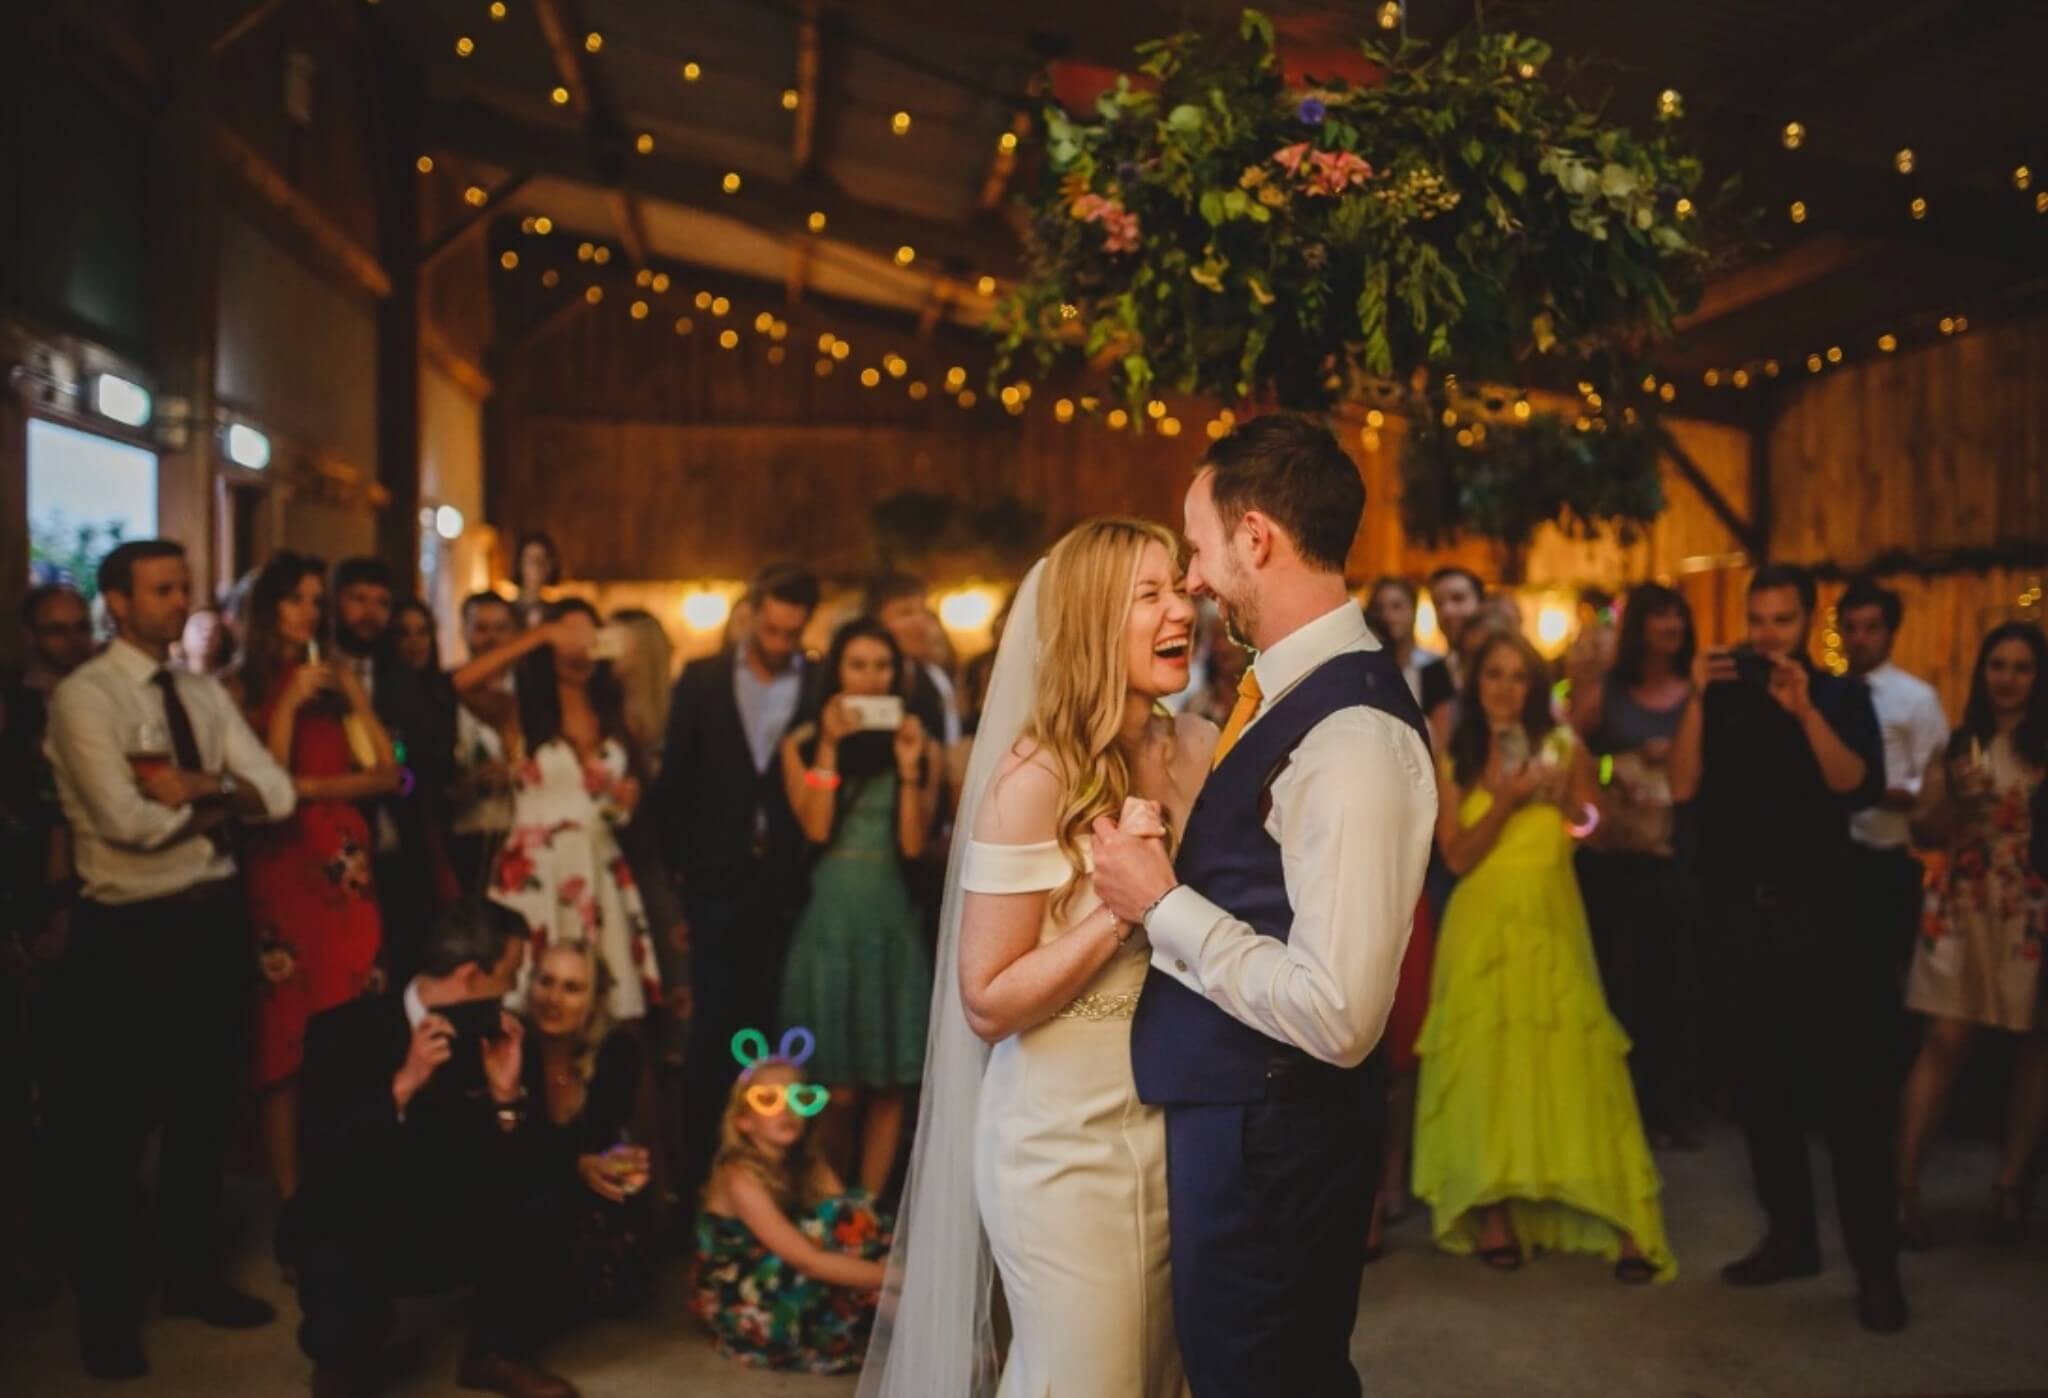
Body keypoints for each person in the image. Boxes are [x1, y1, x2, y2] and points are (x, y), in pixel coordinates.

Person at [1093, 416, 1438, 1396]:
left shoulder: (1353, 735)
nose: (1193, 580)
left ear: (1254, 539)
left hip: (1275, 1135)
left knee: (1264, 1376)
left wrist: (1160, 903)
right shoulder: (1281, 696)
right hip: (1239, 1118)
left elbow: (1336, 1015)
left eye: (1196, 550)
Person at [859, 518, 1208, 1397]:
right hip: (1064, 1153)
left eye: (1181, 587)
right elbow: (985, 999)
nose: (1184, 610)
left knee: (1162, 1377)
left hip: (1180, 1132)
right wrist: (1120, 914)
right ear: (1093, 619)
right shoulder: (1034, 780)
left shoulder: (1199, 748)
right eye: (1151, 595)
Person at [42, 539, 298, 1379]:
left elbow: (279, 793)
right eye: (160, 589)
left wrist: (208, 791)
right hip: (128, 932)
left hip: (210, 922)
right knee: (110, 1134)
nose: (178, 601)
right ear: (116, 601)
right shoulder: (87, 698)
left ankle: (194, 1279)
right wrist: (228, 797)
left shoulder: (201, 692)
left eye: (184, 587)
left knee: (201, 1117)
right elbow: (129, 824)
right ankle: (108, 1312)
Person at [1669, 563, 1902, 1333]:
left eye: (1782, 620)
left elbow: (1857, 786)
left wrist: (1805, 709)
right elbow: (1681, 787)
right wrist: (1700, 698)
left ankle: (1877, 1270)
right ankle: (1792, 1238)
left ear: (1808, 623)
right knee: (1763, 1095)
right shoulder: (1723, 690)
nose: (1767, 633)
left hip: (1829, 923)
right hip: (1743, 923)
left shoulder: (1841, 695)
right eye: (1758, 618)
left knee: (1851, 1105)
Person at [1412, 628, 1674, 1282]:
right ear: (1477, 684)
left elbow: (1600, 826)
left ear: (1533, 687)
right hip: (1481, 927)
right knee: (1489, 1068)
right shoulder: (1456, 756)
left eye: (1517, 676)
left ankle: (1622, 1218)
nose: (1504, 687)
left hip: (1552, 919)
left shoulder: (1564, 745)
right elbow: (1456, 856)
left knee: (1576, 1064)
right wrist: (1505, 799)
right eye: (1493, 674)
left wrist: (1567, 805)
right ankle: (1494, 1211)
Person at [294, 897, 578, 1398]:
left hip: (450, 1212)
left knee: (550, 1194)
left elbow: (525, 1164)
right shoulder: (340, 1032)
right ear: (471, 974)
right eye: (510, 973)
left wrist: (505, 1097)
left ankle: (493, 1353)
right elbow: (321, 1161)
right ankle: (341, 1361)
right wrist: (402, 1085)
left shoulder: (501, 1034)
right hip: (364, 1218)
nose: (516, 988)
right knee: (325, 1219)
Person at [232, 551, 398, 1232]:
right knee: (286, 1035)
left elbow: (388, 773)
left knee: (354, 1015)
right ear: (268, 608)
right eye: (296, 598)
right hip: (283, 867)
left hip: (345, 864)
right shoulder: (244, 686)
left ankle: (347, 1181)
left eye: (314, 598)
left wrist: (318, 788)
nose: (310, 610)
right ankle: (292, 1200)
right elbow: (266, 790)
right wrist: (290, 706)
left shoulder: (340, 682)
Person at [655, 563, 820, 1211]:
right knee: (711, 1039)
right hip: (714, 883)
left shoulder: (817, 683)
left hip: (786, 885)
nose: (779, 642)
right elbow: (673, 784)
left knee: (780, 1035)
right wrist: (680, 883)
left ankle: (775, 1191)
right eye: (771, 627)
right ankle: (704, 1185)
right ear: (751, 612)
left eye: (792, 632)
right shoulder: (700, 680)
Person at [1895, 621, 2046, 1247]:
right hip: (1963, 897)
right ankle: (1901, 1186)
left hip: (2029, 903)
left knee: (2036, 1046)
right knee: (1945, 1039)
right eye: (1996, 666)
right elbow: (1923, 829)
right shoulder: (1960, 743)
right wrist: (1955, 801)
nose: (2006, 679)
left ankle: (2010, 1188)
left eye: (2020, 667)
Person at [778, 619, 940, 1196]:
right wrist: (828, 744)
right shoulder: (799, 744)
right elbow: (816, 826)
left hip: (889, 918)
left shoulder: (922, 745)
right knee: (835, 1089)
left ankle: (866, 1213)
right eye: (857, 666)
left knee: (888, 1084)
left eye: (882, 667)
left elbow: (914, 844)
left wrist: (909, 765)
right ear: (835, 674)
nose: (870, 680)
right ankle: (824, 1199)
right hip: (830, 918)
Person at [456, 601, 658, 1020]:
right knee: (527, 999)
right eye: (570, 639)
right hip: (536, 869)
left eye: (589, 638)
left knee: (607, 1006)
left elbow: (626, 792)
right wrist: (540, 635)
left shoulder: (614, 713)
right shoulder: (517, 713)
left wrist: (625, 800)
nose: (579, 649)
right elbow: (461, 683)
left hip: (597, 863)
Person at [1568, 582, 1704, 1146]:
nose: (1669, 626)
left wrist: (1666, 757)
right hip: (1613, 854)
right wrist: (1613, 769)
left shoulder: (1693, 694)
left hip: (1669, 852)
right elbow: (1568, 750)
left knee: (1669, 980)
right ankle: (1617, 1103)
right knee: (1616, 978)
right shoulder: (1608, 690)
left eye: (1677, 615)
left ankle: (1667, 1107)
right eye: (1658, 616)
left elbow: (1689, 782)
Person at [0, 582, 95, 1310]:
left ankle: (62, 1240)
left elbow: (65, 819)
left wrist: (59, 911)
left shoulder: (95, 698)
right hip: (19, 890)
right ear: (31, 633)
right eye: (53, 629)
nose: (66, 639)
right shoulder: (20, 707)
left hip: (73, 899)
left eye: (76, 627)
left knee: (71, 1082)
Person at [693, 1044, 890, 1374]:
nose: (786, 1109)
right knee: (836, 1232)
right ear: (743, 1120)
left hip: (786, 1270)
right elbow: (807, 1261)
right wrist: (899, 1278)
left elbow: (856, 1226)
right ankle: (910, 1312)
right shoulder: (737, 1174)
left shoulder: (808, 1161)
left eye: (798, 1098)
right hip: (744, 1297)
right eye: (768, 1100)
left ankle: (916, 1324)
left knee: (851, 1216)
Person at [521, 938, 655, 1319]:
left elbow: (601, 1133)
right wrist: (575, 1163)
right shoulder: (511, 1044)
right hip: (526, 1184)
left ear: (595, 1002)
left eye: (571, 988)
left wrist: (620, 1160)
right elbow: (513, 1148)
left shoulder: (617, 1052)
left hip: (585, 1187)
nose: (553, 998)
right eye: (545, 981)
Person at [332, 558, 447, 985]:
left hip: (395, 845)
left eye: (381, 603)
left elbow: (427, 762)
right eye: (358, 600)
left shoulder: (400, 678)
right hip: (330, 838)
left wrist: (402, 781)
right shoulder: (316, 671)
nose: (369, 614)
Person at [1837, 579, 1950, 980]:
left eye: (1870, 628)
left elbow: (1937, 784)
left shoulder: (1916, 699)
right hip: (1831, 854)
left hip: (1888, 856)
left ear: (1890, 632)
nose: (1859, 639)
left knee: (1884, 974)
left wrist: (1875, 792)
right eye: (1850, 628)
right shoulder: (1827, 694)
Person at [450, 591, 520, 894]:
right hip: (460, 835)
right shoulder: (444, 692)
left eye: (500, 628)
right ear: (463, 631)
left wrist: (513, 773)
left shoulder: (534, 697)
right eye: (481, 628)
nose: (491, 639)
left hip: (518, 831)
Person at [867, 573, 960, 749]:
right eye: (905, 613)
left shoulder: (934, 675)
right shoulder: (867, 678)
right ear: (877, 622)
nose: (920, 623)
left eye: (923, 612)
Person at [1421, 566, 1485, 741]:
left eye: (1458, 599)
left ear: (1481, 604)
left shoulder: (1505, 666)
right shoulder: (1429, 675)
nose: (1447, 611)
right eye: (1438, 604)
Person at [1365, 576, 1443, 706]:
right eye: (1379, 609)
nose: (1387, 616)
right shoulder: (1365, 669)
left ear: (1413, 610)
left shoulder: (1433, 666)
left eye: (1396, 607)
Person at [514, 532, 564, 631]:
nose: (538, 567)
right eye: (531, 561)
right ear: (519, 565)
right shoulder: (503, 611)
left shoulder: (558, 613)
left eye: (543, 560)